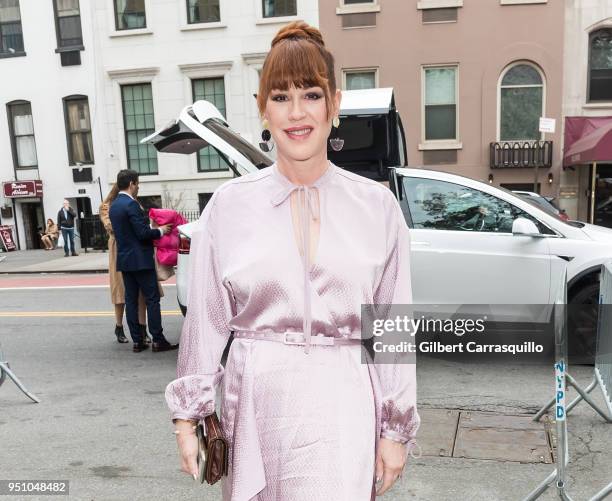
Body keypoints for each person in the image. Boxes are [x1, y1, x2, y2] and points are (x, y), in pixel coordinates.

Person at [165, 21, 419, 501]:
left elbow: (390, 331)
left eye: (311, 94)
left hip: (345, 407)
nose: (296, 112)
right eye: (280, 97)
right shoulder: (228, 207)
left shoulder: (377, 207)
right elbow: (206, 322)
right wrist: (188, 416)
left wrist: (395, 431)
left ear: (335, 105)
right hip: (257, 406)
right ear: (262, 109)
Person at [109, 169, 177, 353]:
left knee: (131, 300)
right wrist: (161, 230)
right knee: (152, 299)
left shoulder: (114, 206)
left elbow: (128, 232)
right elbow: (142, 234)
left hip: (125, 260)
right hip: (141, 259)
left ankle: (137, 341)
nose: (138, 186)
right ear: (131, 183)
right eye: (137, 183)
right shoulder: (131, 205)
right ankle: (158, 339)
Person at [99, 184, 165, 344]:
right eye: (136, 185)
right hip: (120, 250)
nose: (138, 188)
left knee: (140, 294)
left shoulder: (133, 204)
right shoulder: (109, 207)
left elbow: (141, 225)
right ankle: (119, 326)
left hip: (131, 250)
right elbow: (114, 227)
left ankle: (141, 332)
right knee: (122, 293)